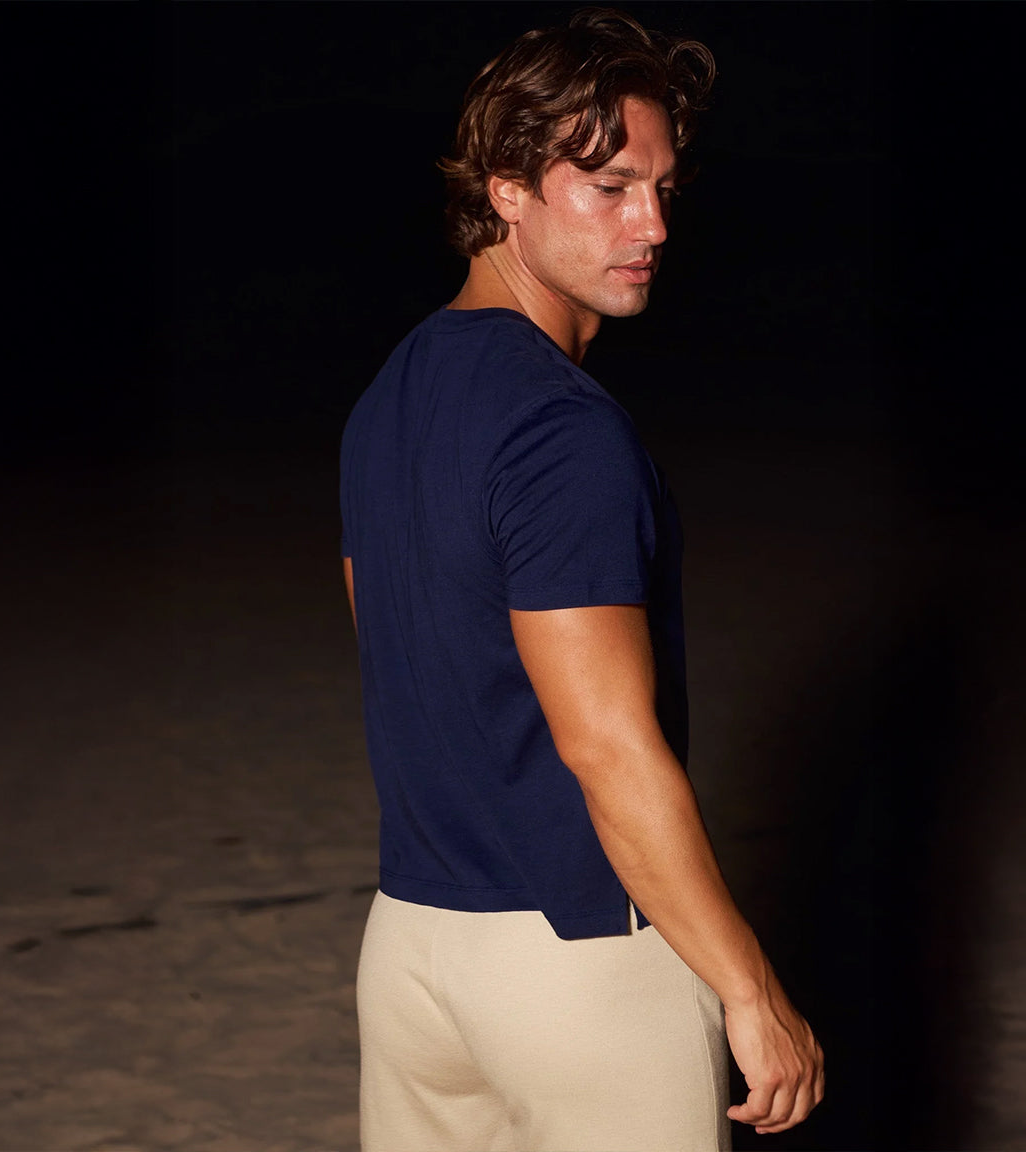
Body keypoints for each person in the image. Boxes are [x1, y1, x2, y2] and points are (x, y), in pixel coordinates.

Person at [339, 9, 824, 1150]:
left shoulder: (387, 396)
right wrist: (750, 988)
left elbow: (399, 659)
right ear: (506, 188)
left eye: (662, 187)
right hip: (578, 962)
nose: (653, 224)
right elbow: (606, 747)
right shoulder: (562, 432)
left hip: (410, 949)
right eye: (610, 188)